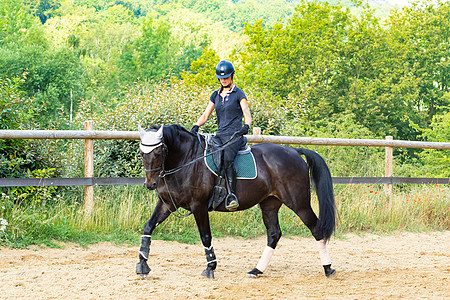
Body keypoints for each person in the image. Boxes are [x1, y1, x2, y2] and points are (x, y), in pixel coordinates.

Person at [191, 60, 252, 210]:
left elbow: (247, 113)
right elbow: (206, 114)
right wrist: (196, 126)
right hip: (220, 136)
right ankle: (212, 192)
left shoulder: (239, 93)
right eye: (221, 77)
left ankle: (232, 195)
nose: (224, 79)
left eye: (226, 77)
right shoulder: (215, 95)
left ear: (232, 76)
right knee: (209, 156)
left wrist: (246, 126)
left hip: (235, 136)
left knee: (228, 158)